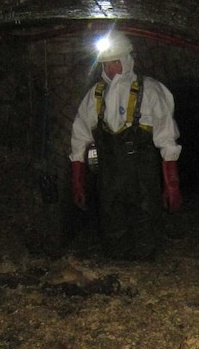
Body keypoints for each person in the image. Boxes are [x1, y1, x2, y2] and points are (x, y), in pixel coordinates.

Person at [69, 30, 183, 260]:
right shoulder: (96, 95)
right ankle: (119, 268)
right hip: (109, 172)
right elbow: (79, 136)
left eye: (116, 62)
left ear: (127, 60)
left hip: (142, 170)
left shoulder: (149, 90)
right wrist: (77, 179)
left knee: (146, 217)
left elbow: (166, 137)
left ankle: (146, 271)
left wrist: (171, 184)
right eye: (107, 64)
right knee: (111, 217)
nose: (111, 69)